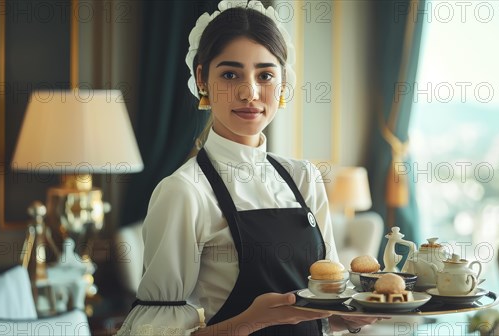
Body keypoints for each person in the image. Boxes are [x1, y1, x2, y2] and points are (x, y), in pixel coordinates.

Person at [117, 1, 378, 335]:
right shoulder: (184, 191)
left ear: (283, 84)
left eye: (265, 75)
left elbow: (319, 309)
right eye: (230, 74)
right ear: (202, 79)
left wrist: (348, 317)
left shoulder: (304, 177)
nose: (249, 92)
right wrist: (254, 319)